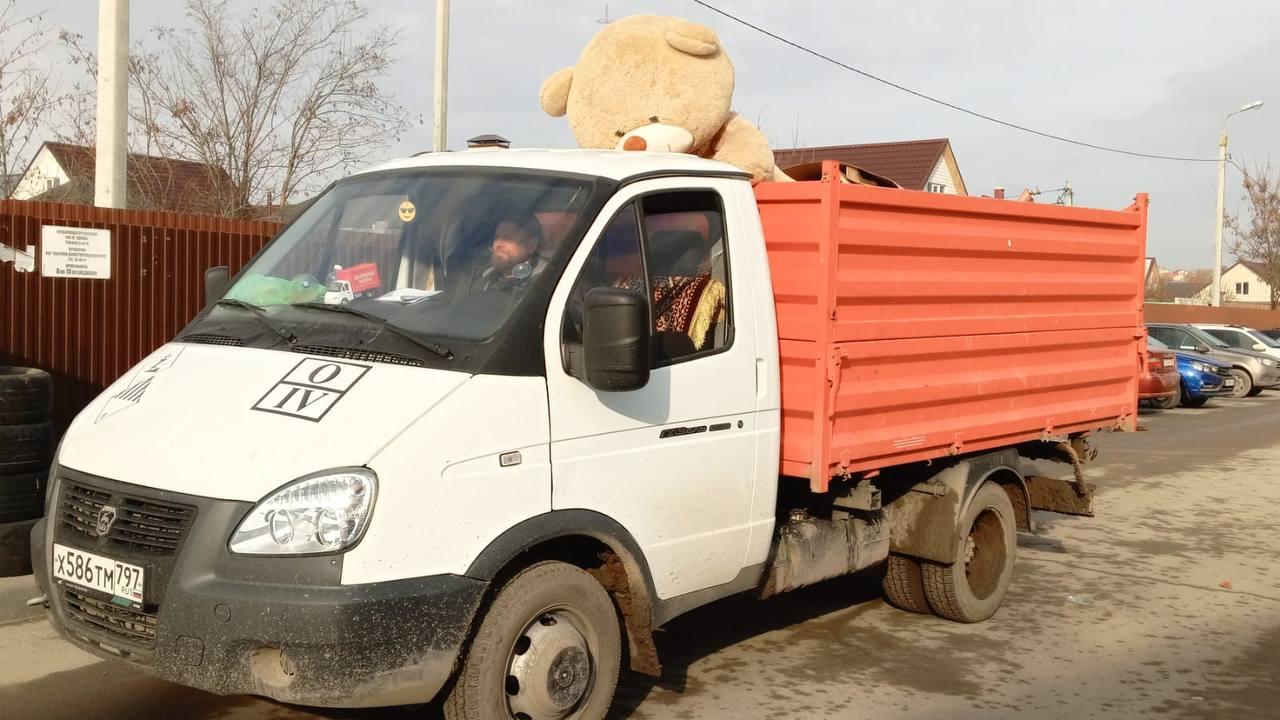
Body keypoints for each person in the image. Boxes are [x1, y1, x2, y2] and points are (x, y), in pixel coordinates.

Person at [476, 212, 546, 293]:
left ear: (531, 246)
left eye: (508, 238)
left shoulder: (544, 282)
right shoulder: (482, 279)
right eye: (497, 237)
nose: (499, 243)